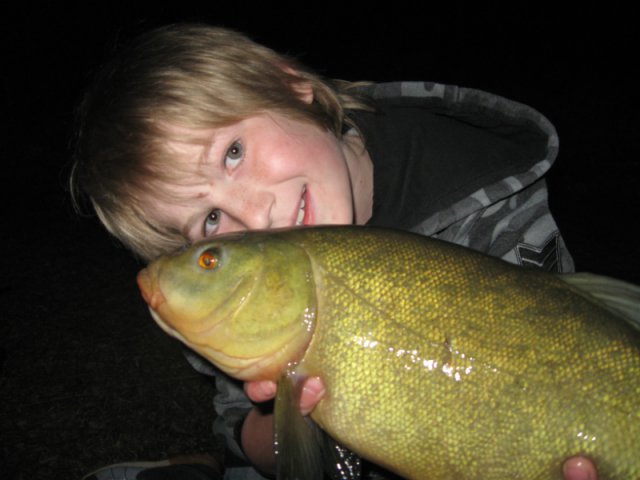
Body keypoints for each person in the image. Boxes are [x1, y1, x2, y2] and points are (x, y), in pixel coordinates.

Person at [72, 23, 599, 480]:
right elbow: (242, 429)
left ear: (292, 85)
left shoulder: (488, 195)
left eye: (232, 153)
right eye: (210, 221)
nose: (255, 215)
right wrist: (286, 424)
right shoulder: (255, 294)